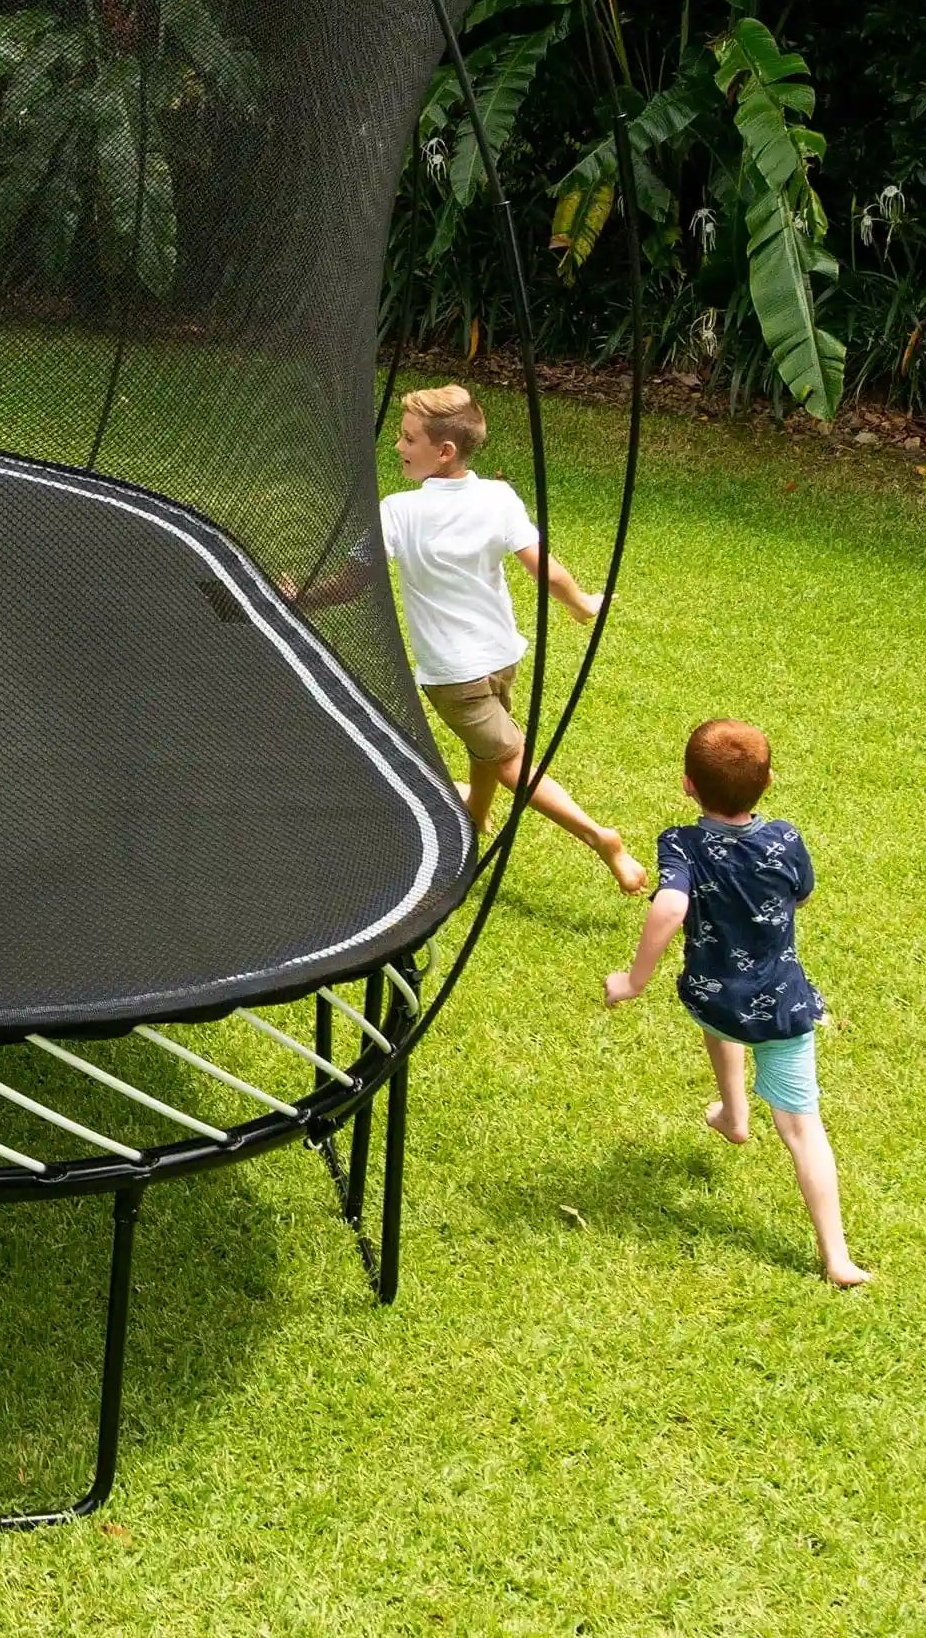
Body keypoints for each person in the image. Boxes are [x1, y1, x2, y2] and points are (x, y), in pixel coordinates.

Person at [297, 383, 646, 892]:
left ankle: (599, 837)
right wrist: (583, 604)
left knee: (509, 759)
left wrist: (302, 597)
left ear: (444, 452)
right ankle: (476, 814)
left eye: (408, 438)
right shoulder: (498, 497)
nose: (398, 447)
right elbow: (544, 570)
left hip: (452, 675)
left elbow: (354, 583)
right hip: (502, 656)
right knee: (488, 747)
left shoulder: (397, 511)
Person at [604, 719, 872, 1287]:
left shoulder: (680, 844)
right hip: (782, 1010)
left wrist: (633, 980)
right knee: (803, 1129)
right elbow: (803, 892)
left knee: (718, 1022)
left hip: (714, 998)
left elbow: (670, 907)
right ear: (768, 781)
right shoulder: (786, 840)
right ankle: (837, 1258)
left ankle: (732, 1112)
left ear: (687, 786)